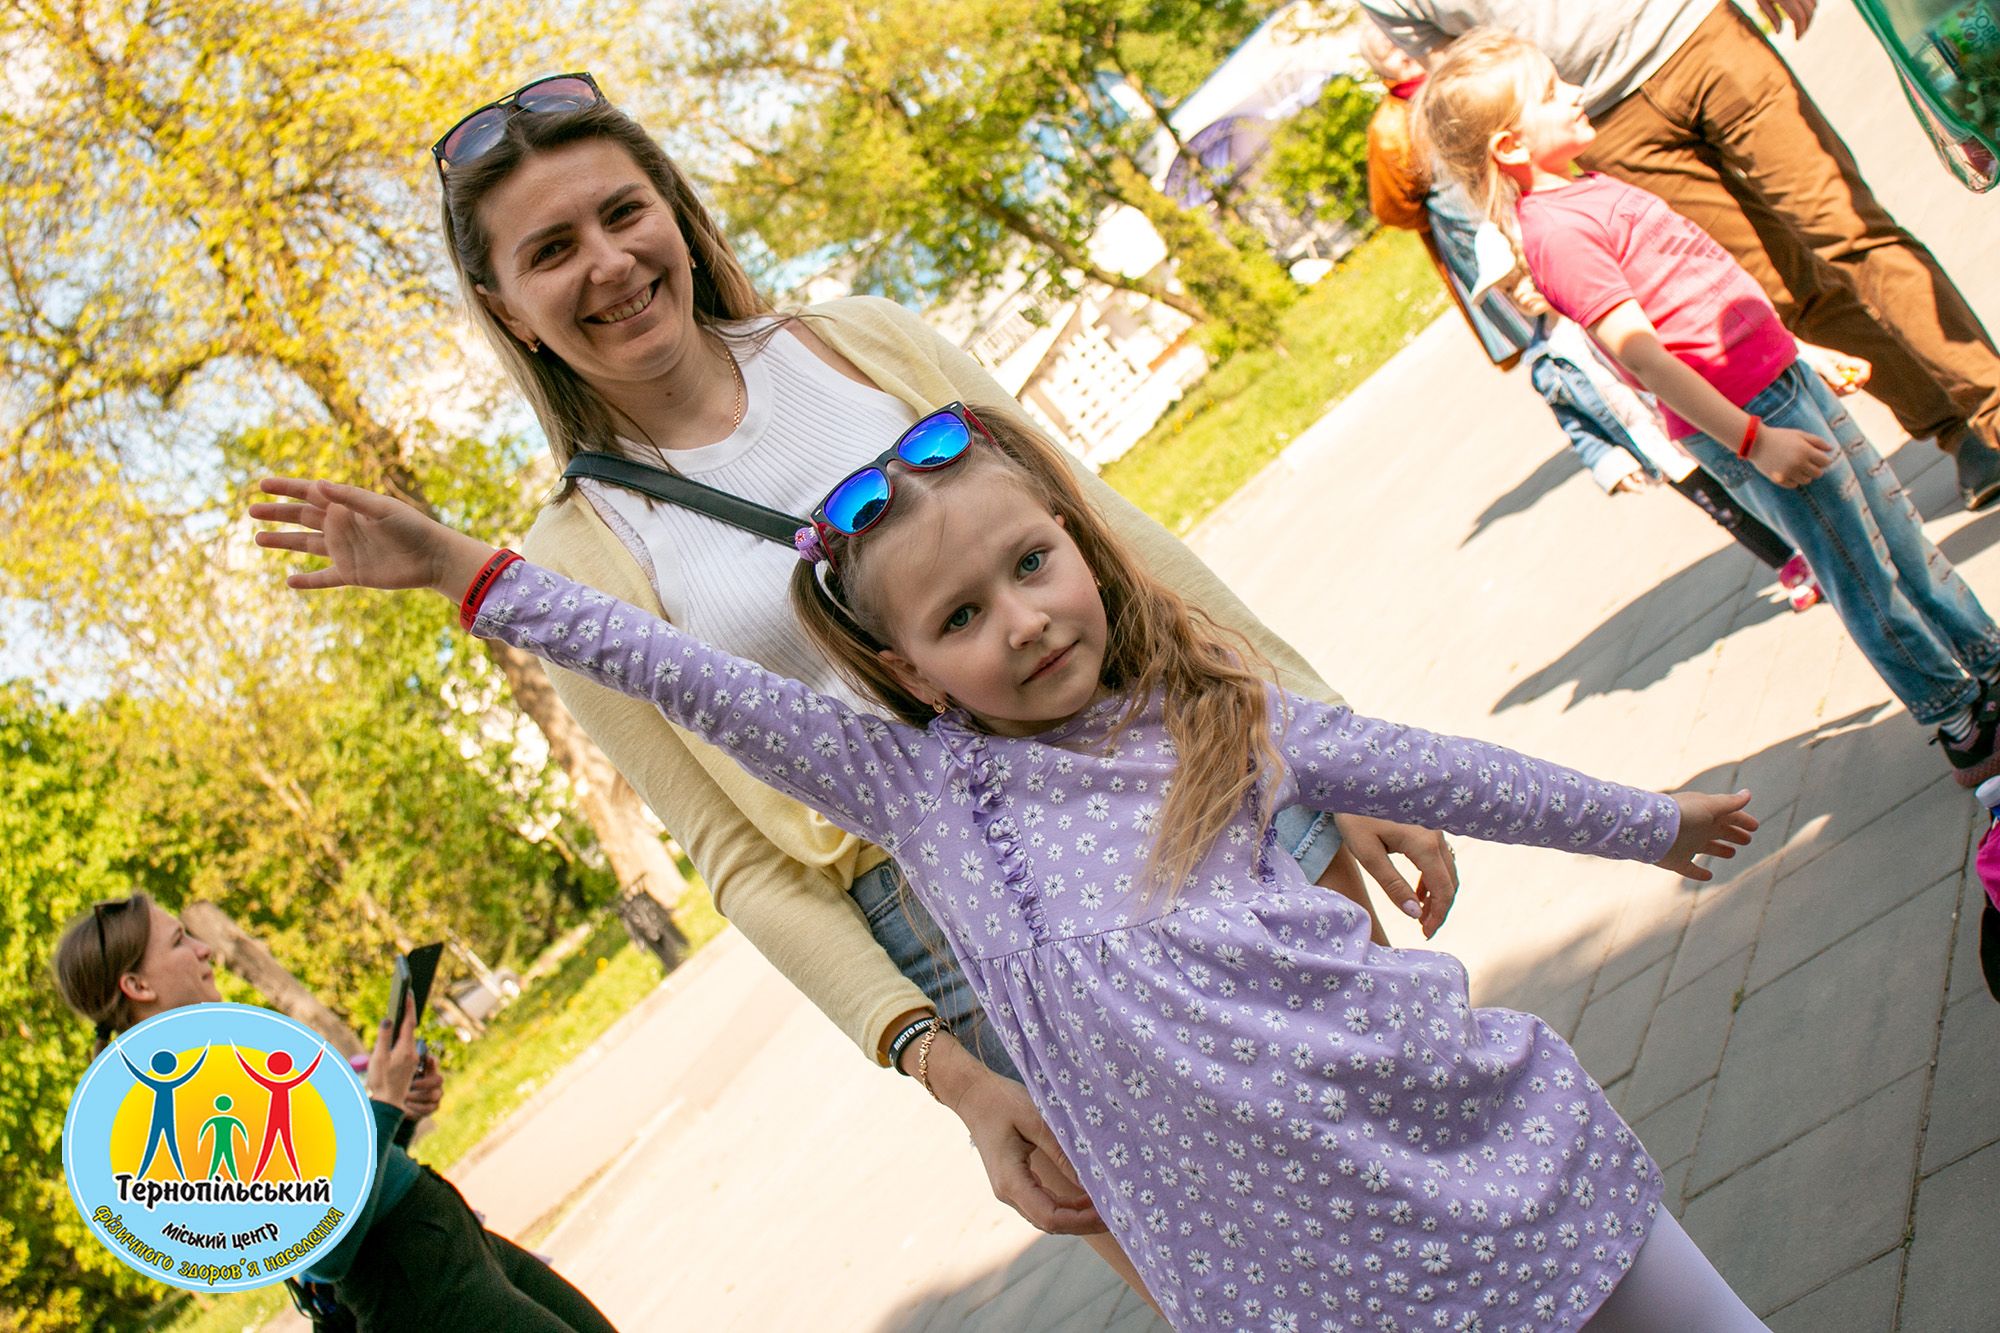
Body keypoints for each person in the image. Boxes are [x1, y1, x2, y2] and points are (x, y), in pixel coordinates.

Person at [251, 399, 1768, 1330]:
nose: (1022, 620)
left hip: (1438, 1113)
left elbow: (1452, 771)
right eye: (960, 617)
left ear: (1076, 541)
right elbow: (674, 670)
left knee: (1669, 1306)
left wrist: (1653, 821)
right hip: (1288, 1257)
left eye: (1030, 566)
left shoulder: (1214, 717)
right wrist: (466, 570)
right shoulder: (904, 788)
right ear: (906, 668)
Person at [423, 71, 1464, 1286]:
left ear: (672, 206)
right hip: (961, 926)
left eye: (621, 212)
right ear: (506, 302)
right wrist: (948, 1073)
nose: (607, 263)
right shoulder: (570, 565)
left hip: (1174, 774)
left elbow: (1117, 546)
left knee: (1436, 1148)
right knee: (1240, 1282)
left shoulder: (859, 343)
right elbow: (741, 860)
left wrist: (1331, 748)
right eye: (552, 249)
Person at [1418, 26, 2000, 788]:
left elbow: (1700, 287)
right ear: (1510, 147)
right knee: (1862, 570)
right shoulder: (1558, 232)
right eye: (1551, 94)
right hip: (1751, 413)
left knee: (1898, 531)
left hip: (1780, 380)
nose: (1575, 94)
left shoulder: (1586, 186)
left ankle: (1985, 659)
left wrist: (1798, 351)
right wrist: (1755, 441)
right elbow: (1643, 354)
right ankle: (1957, 715)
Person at [1362, 0, 2000, 513]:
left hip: (1695, 32)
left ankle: (1992, 405)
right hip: (1602, 121)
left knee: (1846, 232)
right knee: (1781, 294)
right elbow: (1463, 85)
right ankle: (1954, 430)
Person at [1363, 21, 1817, 612]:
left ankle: (1800, 551)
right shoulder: (1551, 356)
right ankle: (1788, 560)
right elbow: (1572, 413)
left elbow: (1667, 341)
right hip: (1673, 446)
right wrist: (1606, 459)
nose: (1523, 296)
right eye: (1507, 293)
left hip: (1712, 420)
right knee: (1730, 505)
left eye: (1522, 282)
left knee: (1771, 495)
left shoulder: (1578, 259)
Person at [51, 894, 620, 1333]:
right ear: (137, 983)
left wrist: (400, 1113)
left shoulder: (221, 1055)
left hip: (442, 1237)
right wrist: (382, 1104)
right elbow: (326, 1246)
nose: (204, 950)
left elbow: (342, 1172)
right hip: (410, 1276)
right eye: (179, 942)